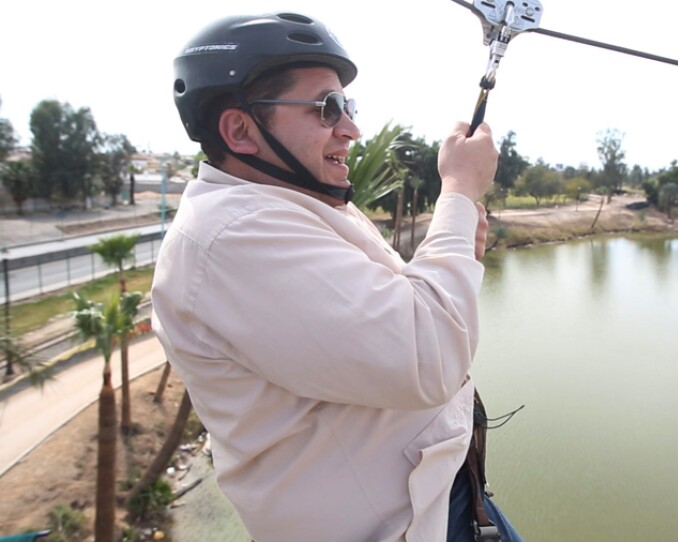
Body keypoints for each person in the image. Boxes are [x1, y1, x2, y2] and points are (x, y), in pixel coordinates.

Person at [152, 12, 522, 542]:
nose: (350, 128)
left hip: (443, 501)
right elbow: (428, 354)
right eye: (327, 108)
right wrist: (460, 191)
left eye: (347, 106)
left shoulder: (291, 204)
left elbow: (385, 307)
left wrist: (457, 244)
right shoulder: (234, 235)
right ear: (240, 129)